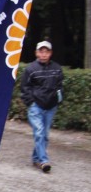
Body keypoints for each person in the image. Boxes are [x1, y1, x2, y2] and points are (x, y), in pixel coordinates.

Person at [20, 40, 64, 173]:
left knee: (44, 135)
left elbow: (60, 86)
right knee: (39, 132)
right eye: (41, 51)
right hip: (36, 107)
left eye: (46, 51)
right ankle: (44, 160)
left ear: (50, 53)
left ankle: (36, 158)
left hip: (51, 106)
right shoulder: (30, 69)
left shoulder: (57, 68)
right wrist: (31, 102)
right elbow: (25, 88)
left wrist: (58, 99)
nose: (44, 54)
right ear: (36, 53)